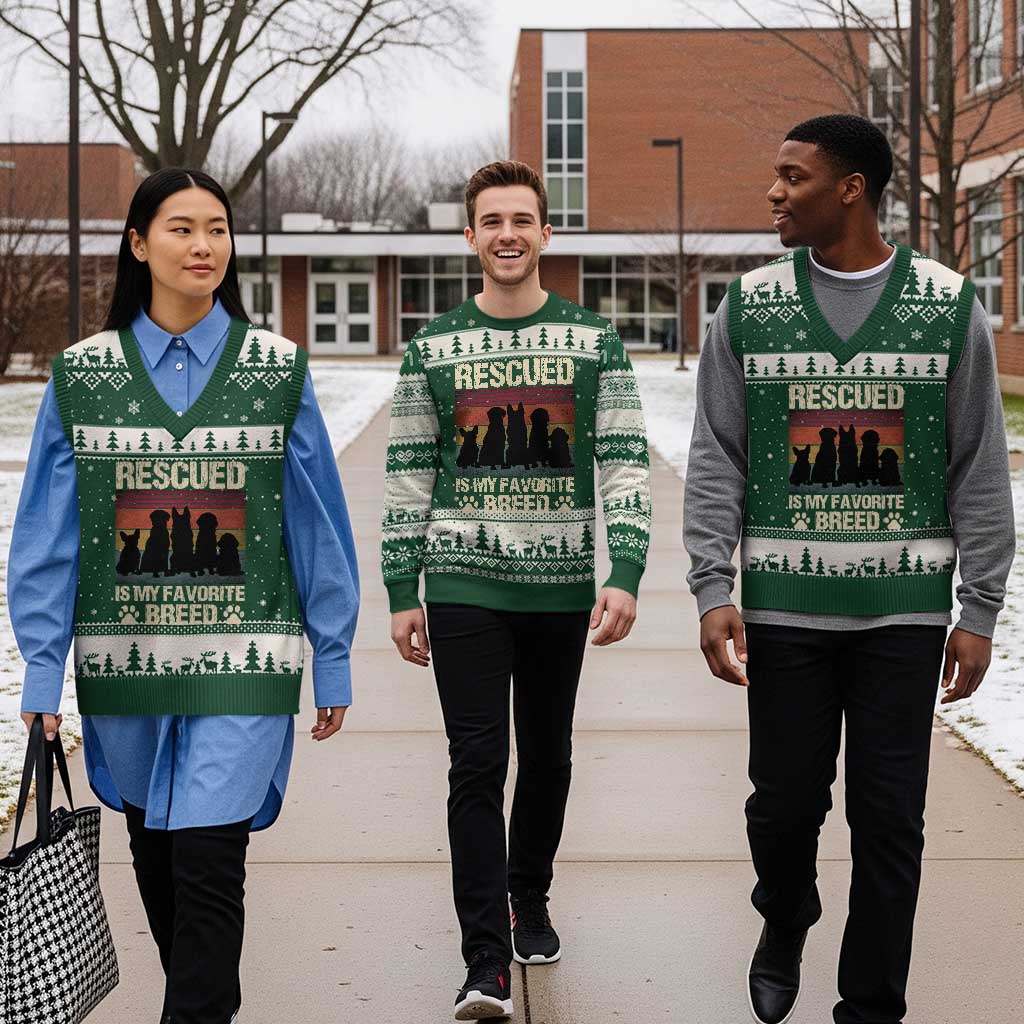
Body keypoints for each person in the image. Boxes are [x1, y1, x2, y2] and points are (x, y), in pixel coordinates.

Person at [684, 113, 1015, 1024]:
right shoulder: (749, 305)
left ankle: (871, 1005)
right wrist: (713, 586)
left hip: (904, 616)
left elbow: (977, 463)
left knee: (889, 823)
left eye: (793, 176)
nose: (774, 192)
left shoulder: (947, 305)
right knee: (782, 810)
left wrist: (980, 608)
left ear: (852, 189)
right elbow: (718, 453)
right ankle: (784, 914)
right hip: (786, 612)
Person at [11, 168, 359, 1024]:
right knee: (159, 861)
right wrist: (42, 676)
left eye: (216, 229)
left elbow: (315, 523)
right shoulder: (82, 376)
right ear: (138, 244)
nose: (203, 246)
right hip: (124, 668)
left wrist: (334, 654)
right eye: (180, 229)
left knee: (210, 863)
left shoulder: (277, 371)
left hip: (243, 666)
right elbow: (47, 539)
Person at [381, 160, 652, 1021]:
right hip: (463, 578)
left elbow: (623, 460)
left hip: (560, 587)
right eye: (491, 220)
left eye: (522, 220)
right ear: (469, 236)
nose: (507, 234)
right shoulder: (432, 348)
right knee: (477, 761)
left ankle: (527, 895)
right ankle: (484, 961)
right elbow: (407, 474)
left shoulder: (593, 340)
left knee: (549, 753)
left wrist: (627, 569)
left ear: (546, 233)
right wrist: (401, 586)